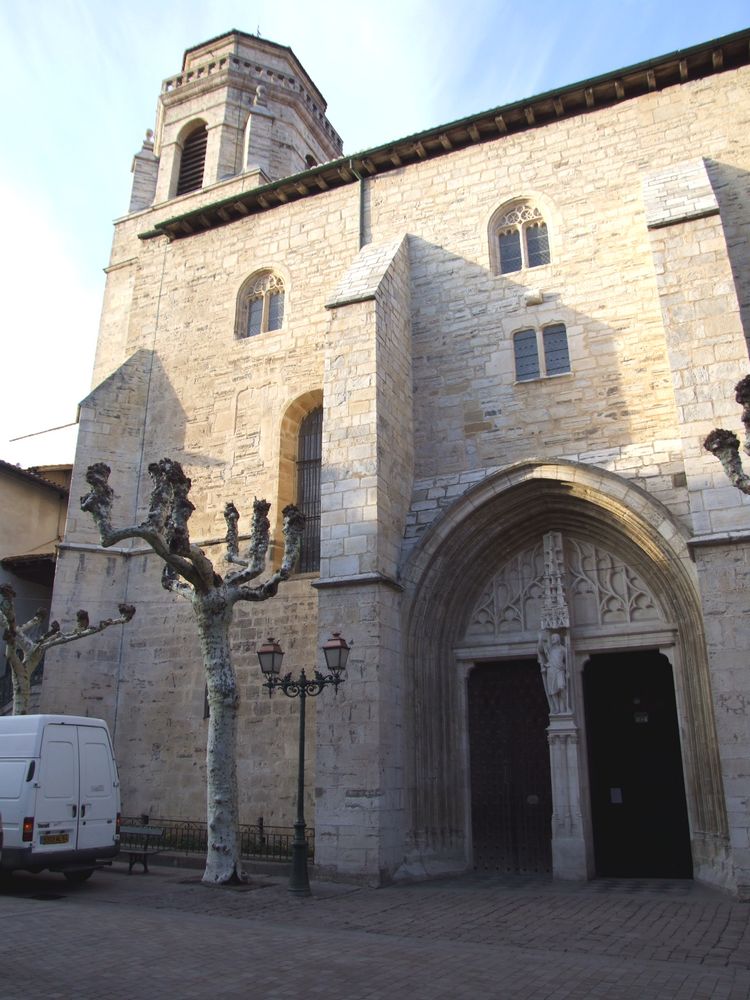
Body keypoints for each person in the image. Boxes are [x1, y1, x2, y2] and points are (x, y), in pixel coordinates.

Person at [537, 630, 568, 714]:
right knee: (552, 691)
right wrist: (540, 639)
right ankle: (557, 708)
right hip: (551, 671)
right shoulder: (550, 649)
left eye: (554, 638)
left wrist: (566, 669)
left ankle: (565, 706)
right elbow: (541, 650)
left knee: (562, 687)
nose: (553, 639)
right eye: (552, 638)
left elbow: (568, 660)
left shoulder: (563, 649)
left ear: (558, 639)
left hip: (559, 671)